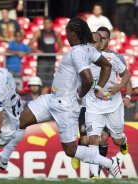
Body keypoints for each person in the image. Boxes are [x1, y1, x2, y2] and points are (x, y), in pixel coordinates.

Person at [19, 18, 124, 179]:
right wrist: (99, 88)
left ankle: (110, 163)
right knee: (21, 121)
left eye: (67, 31)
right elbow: (106, 66)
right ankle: (0, 157)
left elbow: (88, 78)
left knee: (70, 151)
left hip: (66, 106)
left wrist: (81, 94)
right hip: (52, 99)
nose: (65, 35)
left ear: (73, 33)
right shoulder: (87, 49)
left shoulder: (78, 52)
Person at [72, 28, 131, 178]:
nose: (92, 45)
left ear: (102, 43)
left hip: (113, 104)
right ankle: (94, 177)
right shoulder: (82, 59)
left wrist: (120, 86)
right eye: (90, 42)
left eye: (96, 42)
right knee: (93, 139)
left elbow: (126, 74)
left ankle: (123, 140)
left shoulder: (112, 58)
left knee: (117, 140)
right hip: (92, 105)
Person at [0, 76, 42, 170]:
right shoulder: (22, 98)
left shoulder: (41, 98)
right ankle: (2, 158)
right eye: (32, 85)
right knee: (20, 125)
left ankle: (1, 158)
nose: (34, 87)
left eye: (36, 85)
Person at [29, 16, 63, 94]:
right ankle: (40, 97)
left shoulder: (55, 33)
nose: (46, 25)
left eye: (48, 23)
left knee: (49, 80)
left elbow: (61, 45)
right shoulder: (39, 32)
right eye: (45, 23)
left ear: (51, 24)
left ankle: (44, 97)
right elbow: (30, 44)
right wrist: (37, 51)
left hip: (52, 59)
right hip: (42, 60)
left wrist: (59, 52)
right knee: (41, 80)